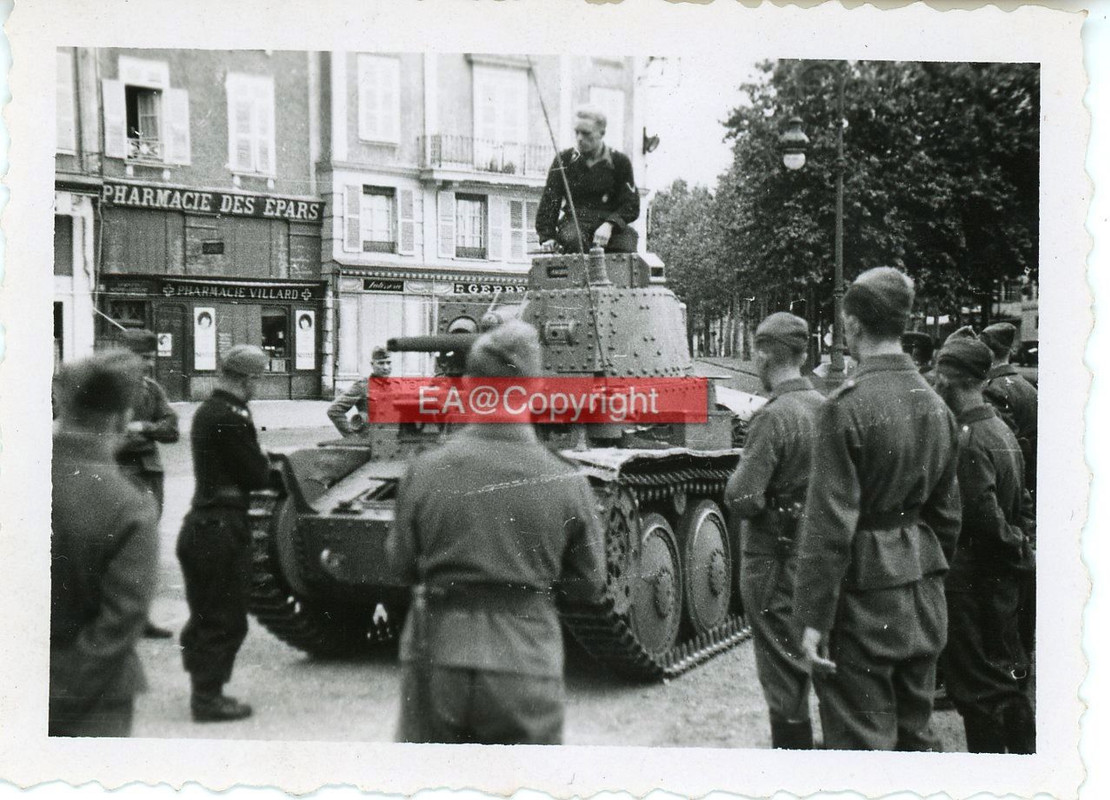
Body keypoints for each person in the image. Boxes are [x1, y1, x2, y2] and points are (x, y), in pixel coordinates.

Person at [385, 320, 606, 744]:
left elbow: (400, 565)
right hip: (525, 657)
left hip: (436, 655)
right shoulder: (567, 480)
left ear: (468, 385)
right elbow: (588, 585)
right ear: (537, 387)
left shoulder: (424, 471)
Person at [793, 267, 963, 751]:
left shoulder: (844, 408)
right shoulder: (936, 406)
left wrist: (812, 620)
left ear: (853, 325)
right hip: (924, 593)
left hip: (862, 605)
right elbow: (948, 516)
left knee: (861, 749)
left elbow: (828, 527)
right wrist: (924, 568)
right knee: (916, 739)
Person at [725, 312, 824, 750]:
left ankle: (794, 762)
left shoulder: (774, 417)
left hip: (775, 556)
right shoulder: (827, 406)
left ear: (764, 354)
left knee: (783, 672)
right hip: (819, 553)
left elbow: (743, 497)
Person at [932, 337, 1036, 753]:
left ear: (948, 377)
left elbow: (984, 519)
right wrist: (1023, 544)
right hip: (1002, 580)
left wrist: (1013, 544)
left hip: (974, 583)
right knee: (1007, 682)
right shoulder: (1000, 429)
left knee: (978, 692)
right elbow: (1023, 503)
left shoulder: (968, 440)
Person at [50, 352, 159, 736]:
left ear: (62, 401)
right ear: (123, 416)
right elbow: (121, 620)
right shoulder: (128, 504)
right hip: (90, 701)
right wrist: (59, 694)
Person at [177, 345, 271, 722]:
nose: (257, 388)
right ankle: (207, 698)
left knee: (206, 611)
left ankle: (203, 687)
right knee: (224, 615)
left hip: (203, 524)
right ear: (247, 379)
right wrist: (266, 469)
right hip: (222, 528)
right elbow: (256, 475)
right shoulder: (231, 415)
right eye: (257, 380)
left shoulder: (208, 411)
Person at [979, 321, 1039, 662]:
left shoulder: (996, 390)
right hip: (1026, 485)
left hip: (1008, 489)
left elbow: (1004, 444)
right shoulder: (1026, 386)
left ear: (989, 350)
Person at [115, 329, 180, 639]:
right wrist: (135, 435)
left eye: (152, 358)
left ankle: (140, 618)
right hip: (119, 472)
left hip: (150, 473)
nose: (150, 365)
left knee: (146, 546)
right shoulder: (107, 389)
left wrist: (143, 427)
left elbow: (172, 429)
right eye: (144, 358)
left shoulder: (152, 390)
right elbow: (103, 436)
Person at [535, 105, 640, 254]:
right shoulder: (564, 160)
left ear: (601, 133)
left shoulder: (620, 162)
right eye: (576, 132)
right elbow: (549, 201)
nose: (579, 138)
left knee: (627, 243)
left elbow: (631, 204)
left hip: (609, 223)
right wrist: (547, 237)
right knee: (573, 241)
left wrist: (610, 224)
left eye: (586, 133)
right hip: (574, 222)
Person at [328, 345, 392, 436]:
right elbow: (334, 410)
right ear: (372, 364)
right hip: (371, 442)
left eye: (388, 363)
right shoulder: (363, 386)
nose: (386, 367)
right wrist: (352, 437)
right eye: (381, 363)